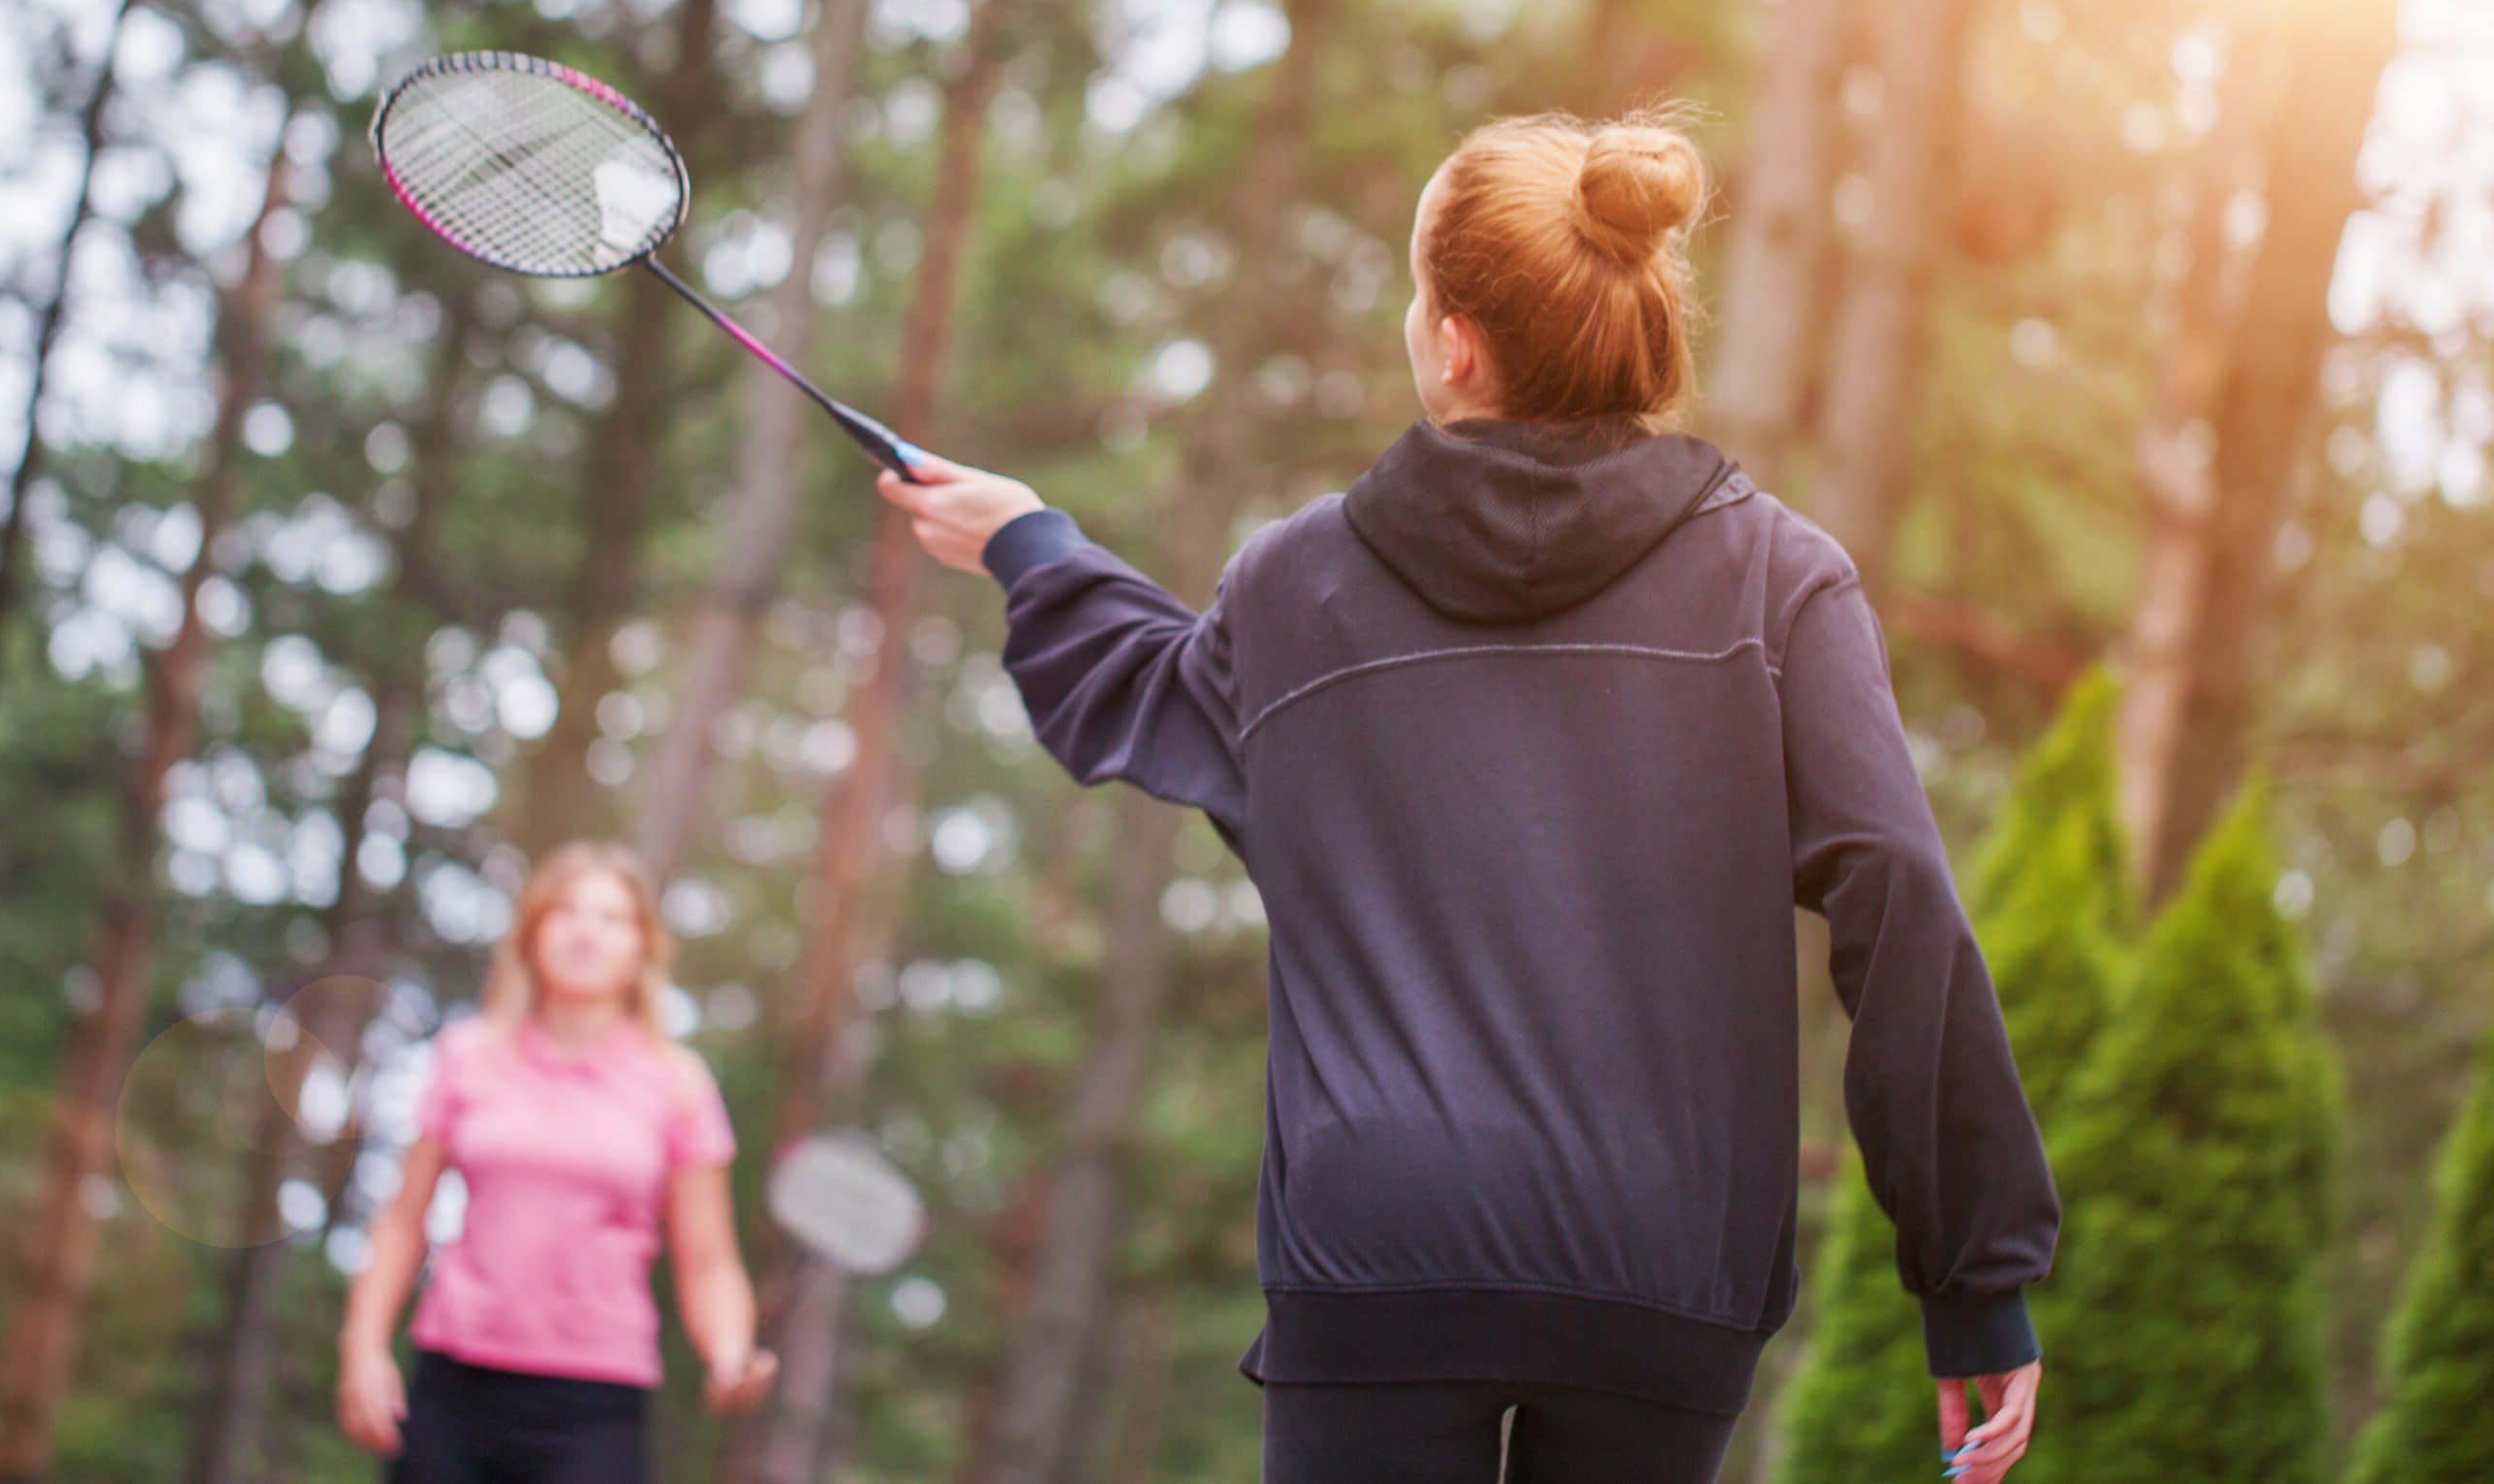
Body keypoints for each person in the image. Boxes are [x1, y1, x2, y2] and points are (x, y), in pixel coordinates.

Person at [877, 113, 2058, 1484]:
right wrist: (1971, 1274)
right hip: (1661, 1258)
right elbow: (1901, 897)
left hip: (1377, 1246)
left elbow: (1157, 691)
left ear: (1455, 341)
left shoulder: (1294, 583)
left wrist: (1035, 545)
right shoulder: (1781, 579)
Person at [336, 842, 777, 1481]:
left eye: (611, 917)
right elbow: (403, 1219)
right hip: (452, 1386)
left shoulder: (677, 1083)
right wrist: (364, 1344)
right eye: (566, 910)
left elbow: (708, 1259)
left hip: (595, 1404)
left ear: (642, 948)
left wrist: (730, 1351)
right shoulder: (468, 1055)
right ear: (533, 932)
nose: (585, 930)